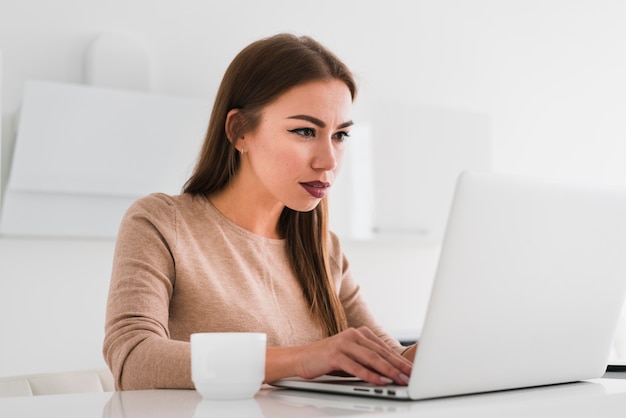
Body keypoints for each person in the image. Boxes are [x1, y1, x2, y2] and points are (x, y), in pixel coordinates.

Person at [103, 33, 417, 391]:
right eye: (304, 131)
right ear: (239, 132)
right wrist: (301, 359)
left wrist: (449, 350)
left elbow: (391, 361)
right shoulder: (161, 223)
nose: (328, 160)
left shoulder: (324, 248)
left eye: (340, 136)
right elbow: (133, 359)